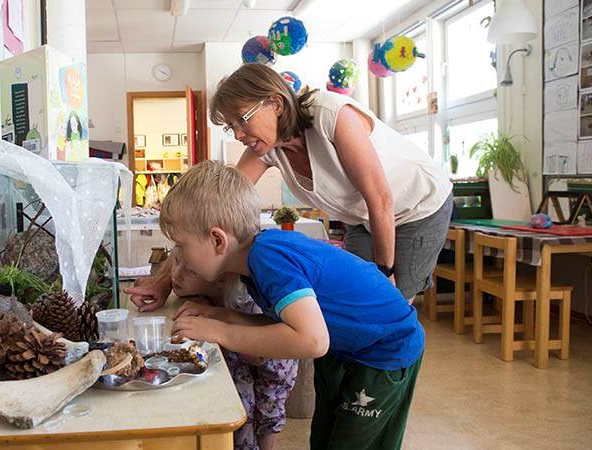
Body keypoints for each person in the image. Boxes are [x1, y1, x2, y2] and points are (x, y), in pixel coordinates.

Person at [126, 64, 452, 310]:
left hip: (416, 207)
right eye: (231, 127)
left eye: (242, 120)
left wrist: (385, 272)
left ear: (275, 103)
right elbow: (208, 209)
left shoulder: (332, 116)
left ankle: (385, 391)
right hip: (364, 219)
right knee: (348, 301)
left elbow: (380, 198)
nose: (238, 134)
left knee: (387, 306)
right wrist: (165, 279)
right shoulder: (266, 148)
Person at [160, 161, 424, 450]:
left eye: (181, 246)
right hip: (347, 348)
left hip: (384, 350)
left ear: (217, 239)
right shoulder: (254, 262)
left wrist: (220, 332)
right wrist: (222, 316)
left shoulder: (268, 258)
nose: (180, 256)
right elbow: (285, 327)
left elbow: (311, 340)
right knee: (324, 439)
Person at [167, 252, 298, 450]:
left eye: (190, 271)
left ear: (220, 279)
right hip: (241, 356)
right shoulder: (209, 281)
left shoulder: (249, 302)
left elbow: (257, 356)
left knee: (268, 412)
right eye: (176, 262)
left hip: (271, 365)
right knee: (242, 405)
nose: (176, 275)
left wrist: (216, 328)